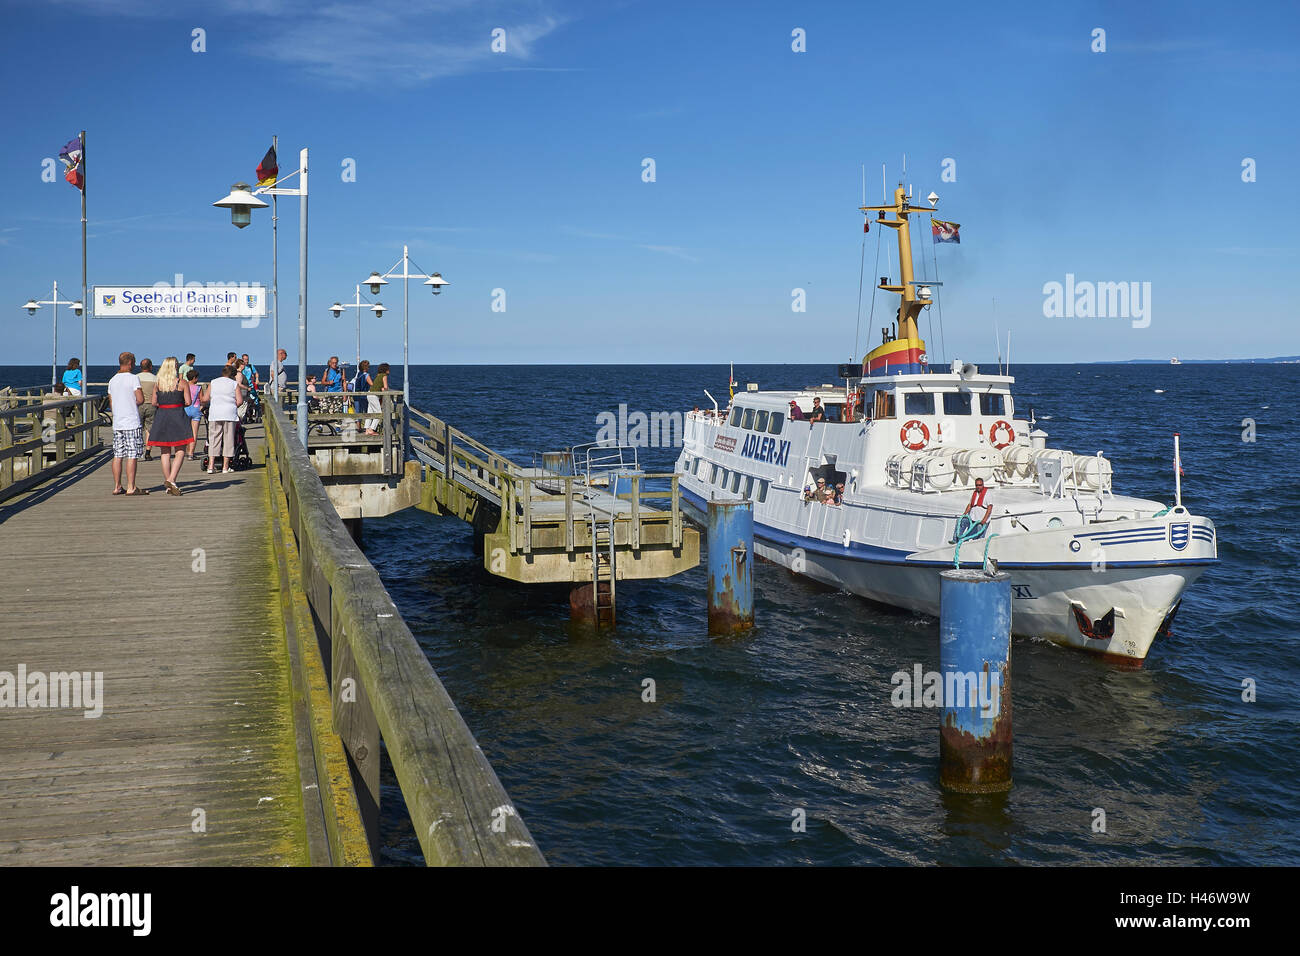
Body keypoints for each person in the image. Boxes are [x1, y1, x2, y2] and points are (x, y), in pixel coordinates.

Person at [147, 357, 195, 495]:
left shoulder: (158, 383)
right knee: (180, 449)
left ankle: (169, 484)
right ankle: (172, 479)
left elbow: (153, 402)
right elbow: (188, 402)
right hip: (177, 415)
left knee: (165, 451)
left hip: (162, 415)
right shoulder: (182, 383)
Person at [107, 351, 147, 496]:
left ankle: (117, 486)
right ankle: (131, 487)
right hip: (131, 421)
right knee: (132, 454)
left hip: (118, 422)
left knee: (118, 455)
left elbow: (111, 403)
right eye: (134, 362)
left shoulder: (112, 380)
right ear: (130, 363)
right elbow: (140, 399)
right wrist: (131, 403)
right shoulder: (133, 379)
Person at [204, 365, 246, 474]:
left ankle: (211, 466)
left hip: (215, 413)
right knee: (228, 439)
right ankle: (225, 467)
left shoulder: (213, 382)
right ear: (233, 375)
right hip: (229, 413)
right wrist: (232, 405)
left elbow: (205, 398)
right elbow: (240, 401)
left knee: (214, 439)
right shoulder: (234, 384)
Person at [951, 477, 994, 543]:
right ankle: (955, 540)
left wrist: (984, 520)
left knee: (980, 530)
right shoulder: (975, 493)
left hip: (981, 520)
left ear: (983, 485)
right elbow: (970, 505)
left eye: (980, 485)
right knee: (960, 520)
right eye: (977, 485)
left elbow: (989, 508)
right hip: (972, 518)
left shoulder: (987, 494)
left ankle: (979, 544)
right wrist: (964, 514)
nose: (978, 487)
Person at [137, 358, 158, 459]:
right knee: (149, 429)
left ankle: (138, 450)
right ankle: (148, 452)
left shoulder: (136, 378)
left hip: (138, 405)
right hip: (151, 405)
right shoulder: (155, 379)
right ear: (150, 366)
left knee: (138, 428)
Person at [184, 367, 203, 456]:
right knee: (194, 433)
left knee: (185, 431)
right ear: (194, 378)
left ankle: (184, 450)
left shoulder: (184, 386)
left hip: (185, 409)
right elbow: (202, 399)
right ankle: (191, 453)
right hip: (195, 409)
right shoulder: (198, 388)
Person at [366, 362, 389, 435]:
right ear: (385, 369)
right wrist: (385, 389)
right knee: (379, 413)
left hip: (369, 393)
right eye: (388, 369)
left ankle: (367, 429)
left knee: (370, 412)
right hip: (374, 395)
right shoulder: (384, 376)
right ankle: (372, 429)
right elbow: (386, 387)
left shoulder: (378, 375)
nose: (389, 370)